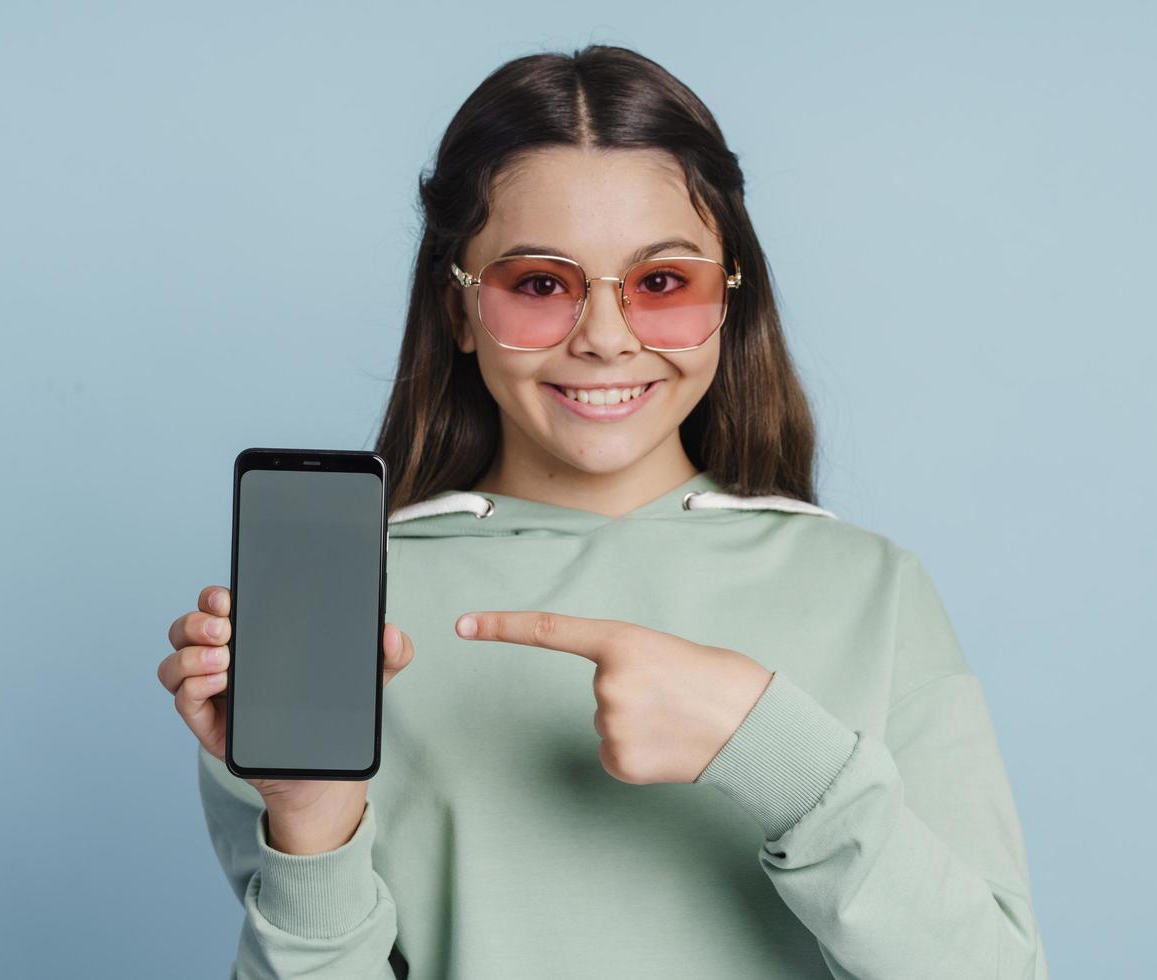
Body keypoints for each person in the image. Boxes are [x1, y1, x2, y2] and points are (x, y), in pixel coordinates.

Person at [156, 43, 1049, 980]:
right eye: (541, 284)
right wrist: (309, 822)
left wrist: (772, 747)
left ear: (729, 299)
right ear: (458, 310)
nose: (608, 339)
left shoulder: (873, 590)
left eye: (663, 283)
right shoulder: (329, 618)